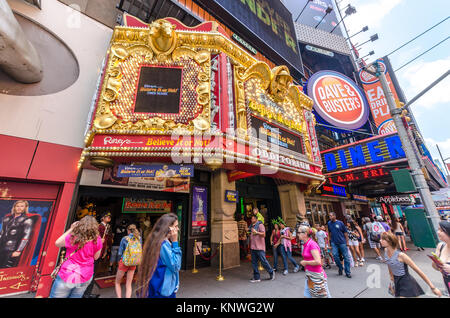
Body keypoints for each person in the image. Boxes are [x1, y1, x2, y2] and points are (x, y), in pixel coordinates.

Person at [49, 216, 103, 298]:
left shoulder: (74, 237)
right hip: (86, 275)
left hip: (68, 274)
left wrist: (71, 229)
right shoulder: (98, 240)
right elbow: (96, 257)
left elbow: (57, 243)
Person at [381, 231, 442, 298]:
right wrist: (391, 277)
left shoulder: (401, 255)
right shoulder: (385, 250)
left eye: (382, 239)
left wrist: (432, 287)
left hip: (406, 281)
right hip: (396, 280)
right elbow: (389, 264)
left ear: (389, 241)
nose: (380, 240)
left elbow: (418, 271)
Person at [136, 213, 181, 298]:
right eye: (176, 226)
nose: (177, 229)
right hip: (164, 291)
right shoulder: (163, 245)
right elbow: (176, 266)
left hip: (155, 287)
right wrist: (175, 242)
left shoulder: (156, 240)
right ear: (168, 227)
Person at [0, 200, 41, 268]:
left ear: (25, 208)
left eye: (22, 206)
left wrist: (18, 250)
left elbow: (26, 237)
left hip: (13, 249)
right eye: (17, 206)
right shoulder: (7, 218)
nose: (19, 208)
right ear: (14, 207)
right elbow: (2, 233)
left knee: (6, 269)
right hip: (2, 247)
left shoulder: (27, 220)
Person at [83, 212, 113, 298]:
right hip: (94, 252)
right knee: (91, 273)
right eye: (107, 216)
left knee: (94, 272)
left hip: (100, 251)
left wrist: (105, 250)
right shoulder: (99, 227)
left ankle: (88, 292)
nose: (109, 218)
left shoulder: (106, 227)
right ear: (102, 218)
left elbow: (106, 240)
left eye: (109, 217)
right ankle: (86, 293)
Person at [297, 225, 331, 298]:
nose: (298, 234)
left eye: (299, 232)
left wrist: (305, 262)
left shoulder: (312, 244)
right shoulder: (306, 244)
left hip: (317, 276)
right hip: (310, 275)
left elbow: (318, 261)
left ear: (305, 234)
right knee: (307, 295)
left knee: (324, 296)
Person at [115, 224, 142, 298]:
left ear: (128, 230)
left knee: (117, 282)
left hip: (124, 262)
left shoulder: (125, 238)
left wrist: (118, 262)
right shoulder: (139, 238)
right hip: (133, 262)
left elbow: (120, 252)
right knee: (129, 284)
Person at [248, 215, 274, 282]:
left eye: (253, 219)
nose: (252, 220)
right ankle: (257, 277)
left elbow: (264, 234)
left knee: (263, 261)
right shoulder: (251, 226)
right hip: (253, 247)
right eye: (251, 219)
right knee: (254, 263)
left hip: (259, 247)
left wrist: (256, 232)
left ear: (256, 219)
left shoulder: (260, 225)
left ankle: (271, 272)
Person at [327, 212, 351, 278]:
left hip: (342, 242)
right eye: (329, 216)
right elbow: (329, 233)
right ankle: (340, 267)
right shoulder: (329, 223)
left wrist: (347, 242)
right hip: (334, 242)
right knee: (335, 256)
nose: (330, 217)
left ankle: (348, 272)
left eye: (331, 216)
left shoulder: (340, 223)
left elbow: (345, 232)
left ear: (335, 216)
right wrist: (329, 242)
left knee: (346, 257)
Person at [431, 221, 450, 295]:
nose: (438, 232)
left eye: (441, 230)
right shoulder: (440, 246)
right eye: (438, 229)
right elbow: (435, 267)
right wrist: (436, 263)